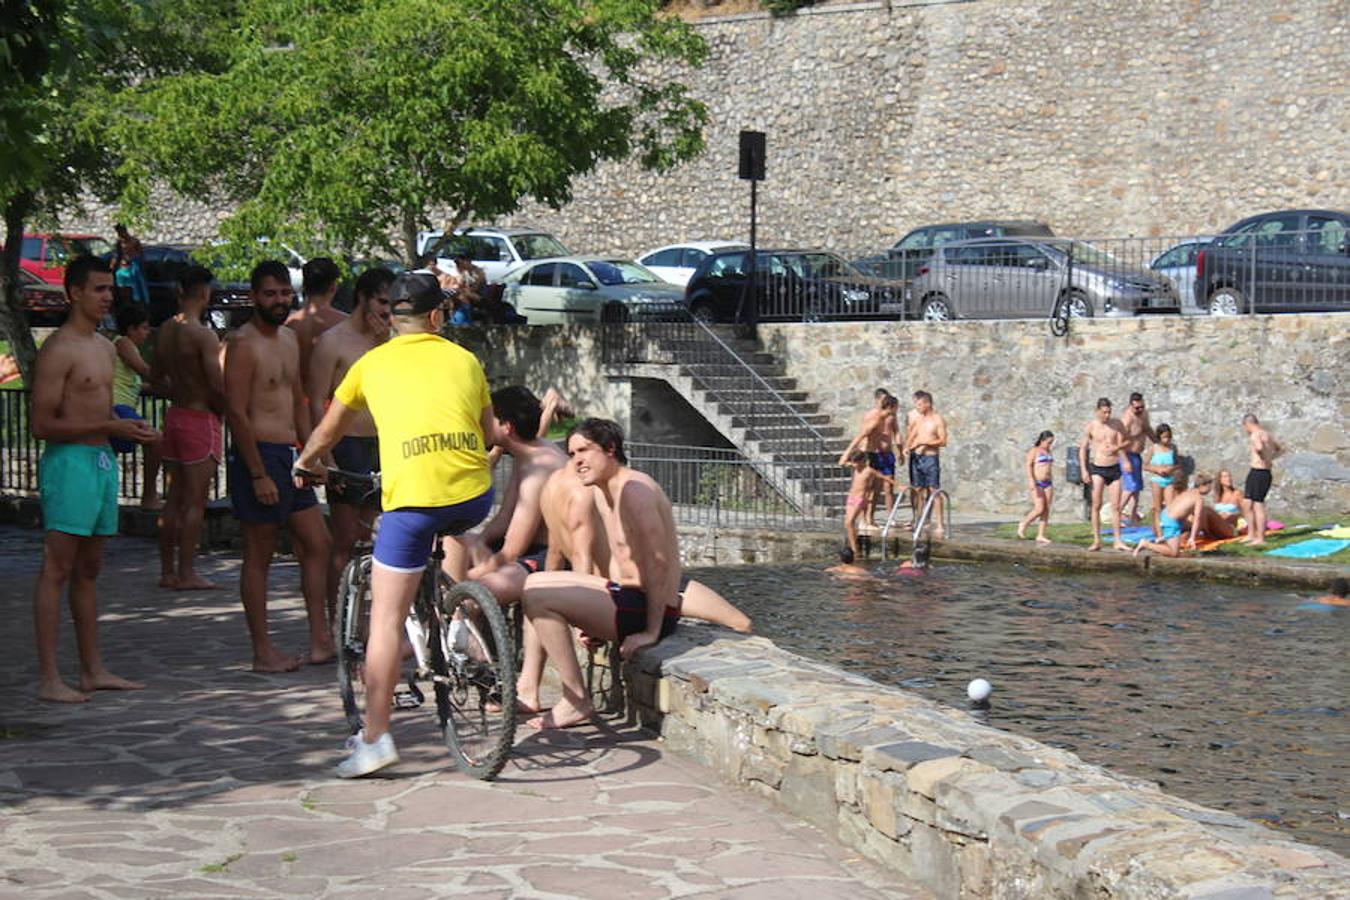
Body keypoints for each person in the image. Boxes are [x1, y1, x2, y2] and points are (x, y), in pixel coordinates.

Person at [294, 271, 495, 778]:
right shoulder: (465, 359)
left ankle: (377, 738)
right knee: (446, 529)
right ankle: (453, 623)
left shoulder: (369, 364)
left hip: (414, 501)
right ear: (436, 317)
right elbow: (488, 430)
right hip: (475, 496)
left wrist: (307, 463)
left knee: (385, 618)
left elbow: (327, 430)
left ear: (392, 318)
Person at [30, 256, 159, 702]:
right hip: (69, 464)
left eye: (110, 289)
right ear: (75, 293)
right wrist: (107, 428)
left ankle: (92, 670)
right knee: (58, 567)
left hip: (102, 462)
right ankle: (49, 677)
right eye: (99, 289)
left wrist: (134, 429)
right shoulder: (58, 349)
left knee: (90, 569)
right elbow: (42, 425)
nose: (108, 297)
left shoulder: (106, 347)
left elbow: (103, 413)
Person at [521, 419, 682, 730]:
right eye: (571, 454)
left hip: (647, 610)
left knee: (538, 596)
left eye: (584, 450)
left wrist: (650, 631)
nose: (577, 461)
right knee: (534, 582)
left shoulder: (635, 490)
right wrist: (589, 612)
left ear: (610, 450)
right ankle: (563, 693)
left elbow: (659, 564)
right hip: (625, 599)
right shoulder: (603, 491)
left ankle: (576, 699)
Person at [223, 260, 335, 673]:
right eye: (270, 294)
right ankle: (262, 651)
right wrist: (257, 473)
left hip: (290, 453)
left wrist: (312, 452)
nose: (279, 300)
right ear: (254, 297)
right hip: (261, 456)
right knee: (260, 553)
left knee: (318, 543)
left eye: (284, 293)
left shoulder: (290, 338)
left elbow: (298, 399)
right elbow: (235, 411)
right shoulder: (242, 343)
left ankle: (320, 638)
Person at [306, 266, 395, 620]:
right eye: (382, 302)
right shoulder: (333, 341)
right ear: (363, 298)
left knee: (380, 537)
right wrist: (324, 456)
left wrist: (385, 341)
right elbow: (315, 400)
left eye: (393, 305)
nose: (387, 312)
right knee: (344, 539)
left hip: (383, 443)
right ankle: (338, 618)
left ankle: (374, 620)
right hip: (347, 444)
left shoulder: (388, 339)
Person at [152, 264, 226, 590]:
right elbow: (217, 385)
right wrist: (226, 413)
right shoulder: (202, 334)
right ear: (205, 292)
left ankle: (168, 571)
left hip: (175, 414)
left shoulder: (166, 329)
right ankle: (187, 572)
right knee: (195, 501)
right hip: (199, 418)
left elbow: (155, 377)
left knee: (173, 499)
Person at [110, 303, 163, 509]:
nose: (146, 333)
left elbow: (137, 383)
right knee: (156, 440)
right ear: (131, 329)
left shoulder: (124, 347)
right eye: (144, 328)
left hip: (121, 406)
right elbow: (143, 370)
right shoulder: (123, 343)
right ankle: (149, 495)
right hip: (118, 407)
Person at [839, 389, 899, 528]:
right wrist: (846, 454)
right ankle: (863, 520)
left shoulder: (886, 419)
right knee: (866, 489)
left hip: (879, 455)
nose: (897, 410)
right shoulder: (876, 419)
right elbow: (860, 436)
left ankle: (870, 519)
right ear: (891, 407)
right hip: (870, 454)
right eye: (896, 407)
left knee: (877, 488)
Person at [1078, 398, 1129, 552]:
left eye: (1109, 412)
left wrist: (1116, 448)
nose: (1107, 415)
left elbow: (1126, 442)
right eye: (1104, 412)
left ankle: (1118, 540)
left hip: (1114, 468)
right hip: (1098, 468)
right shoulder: (1091, 427)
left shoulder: (1117, 424)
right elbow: (1083, 449)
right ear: (1098, 411)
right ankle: (1097, 540)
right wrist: (1083, 470)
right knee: (1096, 504)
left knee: (1116, 506)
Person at [286, 256, 346, 376]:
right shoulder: (345, 325)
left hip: (294, 393)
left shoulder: (288, 325)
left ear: (304, 286)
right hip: (332, 394)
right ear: (333, 287)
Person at [1132, 474, 1215, 558]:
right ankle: (1146, 544)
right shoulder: (1198, 498)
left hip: (1166, 515)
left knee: (1177, 549)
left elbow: (1181, 510)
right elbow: (1197, 519)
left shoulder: (1187, 492)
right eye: (1210, 487)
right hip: (1171, 521)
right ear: (1203, 486)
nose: (1210, 490)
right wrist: (1192, 538)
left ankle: (1164, 538)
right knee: (1173, 553)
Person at [905, 390, 947, 539]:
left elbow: (943, 441)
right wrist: (907, 447)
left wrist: (925, 442)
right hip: (917, 458)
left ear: (927, 404)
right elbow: (912, 435)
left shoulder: (937, 420)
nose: (917, 407)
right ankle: (920, 519)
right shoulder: (918, 420)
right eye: (916, 404)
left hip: (930, 458)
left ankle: (940, 523)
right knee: (918, 490)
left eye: (919, 404)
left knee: (934, 490)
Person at [839, 449, 893, 560]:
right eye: (853, 462)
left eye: (856, 462)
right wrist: (847, 456)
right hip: (851, 497)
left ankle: (855, 550)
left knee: (849, 522)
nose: (854, 465)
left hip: (860, 498)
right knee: (848, 524)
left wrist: (898, 485)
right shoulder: (855, 467)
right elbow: (841, 462)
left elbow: (884, 477)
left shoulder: (869, 471)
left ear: (863, 461)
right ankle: (854, 546)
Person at [1240, 413, 1283, 546]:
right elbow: (1280, 448)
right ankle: (1251, 534)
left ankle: (1260, 538)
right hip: (1258, 472)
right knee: (1247, 502)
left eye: (1244, 427)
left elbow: (1259, 447)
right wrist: (1271, 458)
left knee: (1258, 504)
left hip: (1260, 471)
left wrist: (1264, 457)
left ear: (1247, 424)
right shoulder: (1268, 435)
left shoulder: (1256, 434)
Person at [1117, 392, 1156, 526]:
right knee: (1129, 488)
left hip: (1137, 455)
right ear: (1131, 406)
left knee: (1136, 489)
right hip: (1127, 455)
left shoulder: (1144, 414)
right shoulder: (1127, 419)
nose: (1139, 410)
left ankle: (1133, 518)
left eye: (1142, 407)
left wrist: (1158, 443)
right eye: (1137, 408)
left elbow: (1148, 429)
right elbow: (1119, 442)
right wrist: (1125, 461)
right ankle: (1117, 514)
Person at [1143, 423, 1181, 540]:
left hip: (1169, 479)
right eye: (1164, 437)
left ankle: (1169, 532)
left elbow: (1178, 464)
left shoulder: (1172, 448)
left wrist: (1171, 468)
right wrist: (1157, 469)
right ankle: (1159, 534)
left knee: (1170, 507)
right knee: (1157, 507)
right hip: (1157, 479)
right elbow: (1145, 465)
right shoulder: (1153, 448)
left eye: (1168, 437)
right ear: (1159, 436)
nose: (1167, 439)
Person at [1017, 430, 1055, 543]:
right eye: (1048, 442)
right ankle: (1024, 523)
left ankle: (1041, 534)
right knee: (1039, 508)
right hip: (1037, 482)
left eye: (1051, 443)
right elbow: (1028, 466)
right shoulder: (1034, 451)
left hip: (1048, 483)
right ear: (1042, 440)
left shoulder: (1048, 451)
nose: (1050, 445)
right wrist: (1031, 481)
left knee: (1046, 510)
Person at [111, 224, 148, 306]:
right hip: (122, 267)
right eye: (118, 232)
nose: (120, 234)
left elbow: (141, 255)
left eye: (121, 232)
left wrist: (132, 260)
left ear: (125, 230)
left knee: (134, 278)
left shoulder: (134, 241)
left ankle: (138, 300)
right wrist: (113, 266)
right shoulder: (119, 242)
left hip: (134, 266)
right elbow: (116, 256)